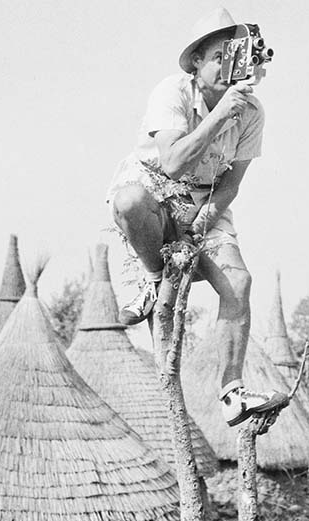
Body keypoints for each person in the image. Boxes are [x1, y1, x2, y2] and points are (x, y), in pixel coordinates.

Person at [107, 7, 285, 426]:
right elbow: (171, 164)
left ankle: (233, 392)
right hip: (154, 193)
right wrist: (222, 113)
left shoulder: (252, 113)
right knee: (129, 202)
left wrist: (198, 227)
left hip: (206, 204)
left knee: (238, 282)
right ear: (198, 64)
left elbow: (232, 183)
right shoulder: (172, 92)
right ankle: (153, 280)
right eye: (219, 58)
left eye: (236, 56)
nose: (228, 66)